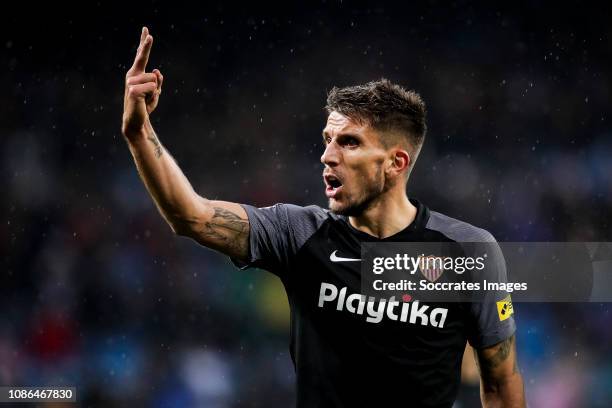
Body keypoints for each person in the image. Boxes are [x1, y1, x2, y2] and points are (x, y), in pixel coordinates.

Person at [122, 27, 526, 408]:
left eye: (349, 143)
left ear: (396, 162)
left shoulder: (468, 253)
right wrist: (140, 134)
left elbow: (501, 382)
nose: (328, 155)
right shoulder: (298, 234)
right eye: (327, 140)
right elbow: (190, 216)